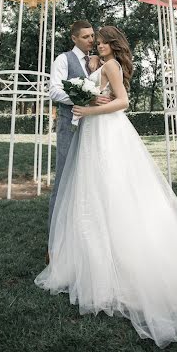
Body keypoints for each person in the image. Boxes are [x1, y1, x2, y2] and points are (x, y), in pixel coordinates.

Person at [35, 25, 177, 349]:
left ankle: (119, 257)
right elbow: (90, 90)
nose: (99, 46)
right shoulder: (99, 65)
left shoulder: (113, 66)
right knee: (94, 195)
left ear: (113, 45)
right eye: (96, 42)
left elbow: (123, 102)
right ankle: (98, 255)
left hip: (107, 132)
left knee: (113, 191)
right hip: (94, 133)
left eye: (103, 43)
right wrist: (89, 85)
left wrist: (88, 107)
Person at [46, 20, 112, 265]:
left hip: (94, 130)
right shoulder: (63, 59)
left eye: (92, 35)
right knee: (63, 183)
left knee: (91, 185)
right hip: (69, 129)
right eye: (85, 37)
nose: (91, 40)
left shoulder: (97, 60)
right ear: (74, 38)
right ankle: (53, 245)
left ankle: (85, 244)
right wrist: (87, 98)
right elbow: (54, 91)